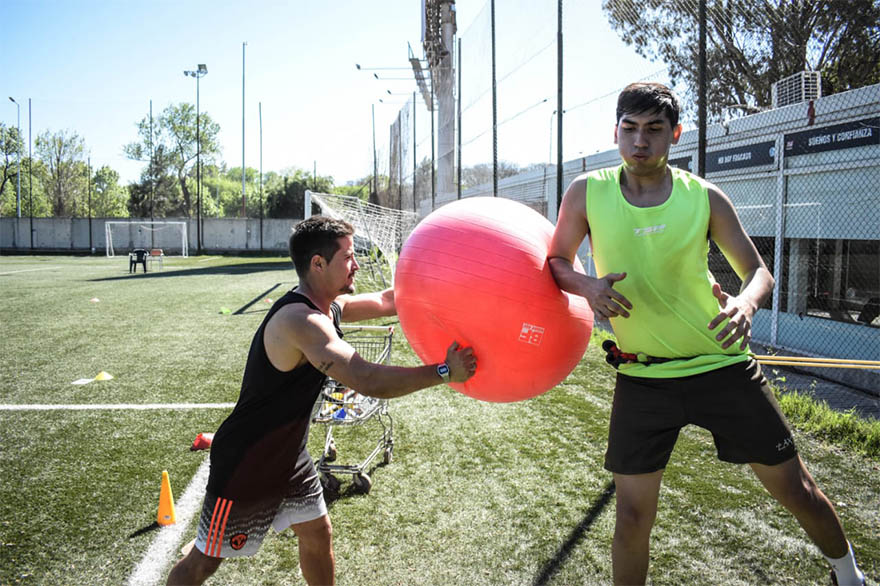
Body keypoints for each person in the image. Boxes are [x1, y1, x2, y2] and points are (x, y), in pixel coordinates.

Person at [548, 82, 865, 586]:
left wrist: (745, 302)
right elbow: (557, 261)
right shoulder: (587, 192)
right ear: (616, 131)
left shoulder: (705, 197)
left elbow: (759, 271)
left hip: (722, 367)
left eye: (654, 130)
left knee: (796, 489)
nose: (640, 142)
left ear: (675, 135)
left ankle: (850, 578)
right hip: (642, 375)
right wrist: (586, 284)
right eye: (629, 129)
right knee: (631, 516)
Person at [167, 216, 477, 585]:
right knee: (204, 562)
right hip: (248, 461)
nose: (357, 264)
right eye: (348, 257)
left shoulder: (328, 306)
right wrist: (444, 372)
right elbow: (367, 378)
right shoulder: (302, 320)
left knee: (318, 534)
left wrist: (455, 286)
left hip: (289, 455)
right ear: (318, 263)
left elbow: (386, 300)